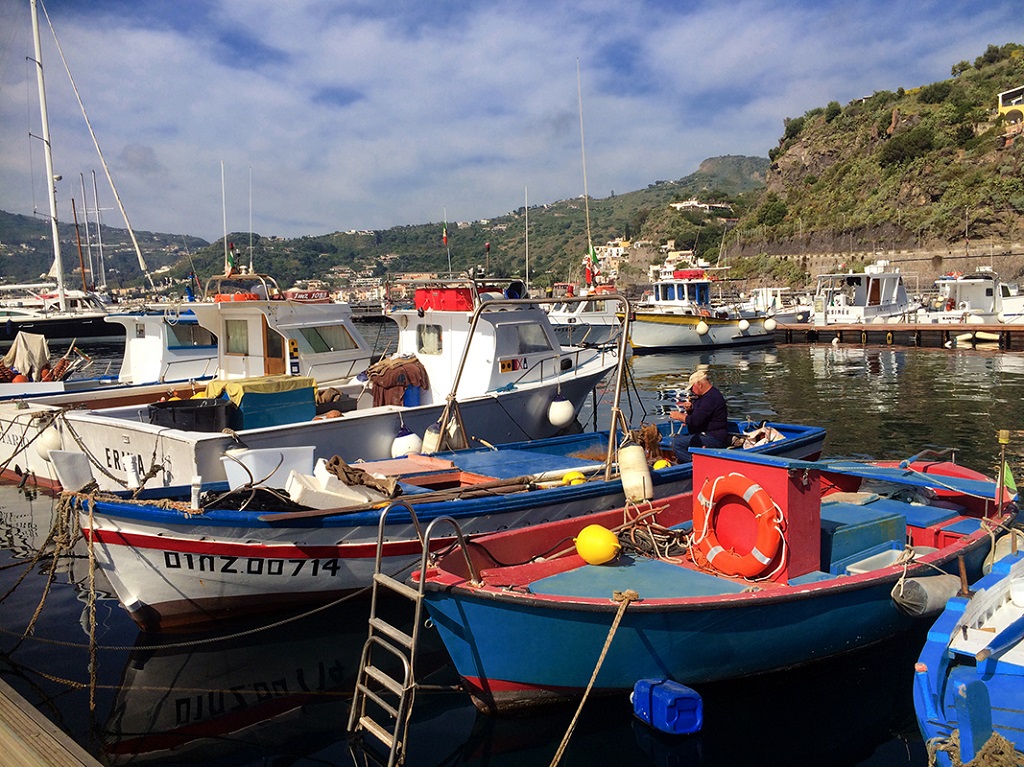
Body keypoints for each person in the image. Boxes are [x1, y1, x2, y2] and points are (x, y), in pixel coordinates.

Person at [669, 369, 730, 462]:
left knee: (677, 443)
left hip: (714, 437)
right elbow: (701, 417)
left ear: (699, 385)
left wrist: (679, 416)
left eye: (692, 388)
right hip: (704, 433)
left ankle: (694, 464)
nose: (691, 391)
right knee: (677, 438)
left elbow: (696, 421)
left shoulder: (711, 398)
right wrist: (690, 410)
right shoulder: (702, 397)